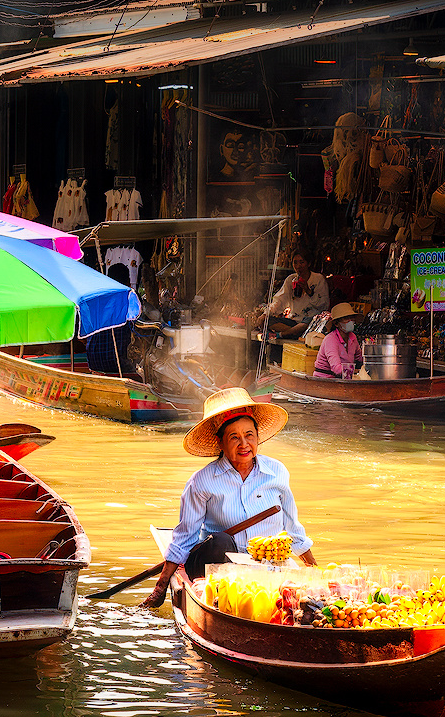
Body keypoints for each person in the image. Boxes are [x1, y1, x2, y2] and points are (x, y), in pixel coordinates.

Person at [142, 388, 316, 607]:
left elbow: (293, 530)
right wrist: (161, 585)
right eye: (234, 437)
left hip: (268, 564)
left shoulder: (277, 472)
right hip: (217, 563)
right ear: (220, 443)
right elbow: (185, 537)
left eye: (249, 435)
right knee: (221, 541)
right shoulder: (202, 481)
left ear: (257, 437)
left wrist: (315, 572)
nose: (244, 444)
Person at [261, 251, 329, 339]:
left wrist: (309, 291)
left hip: (310, 321)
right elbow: (280, 301)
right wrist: (265, 314)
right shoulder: (291, 279)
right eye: (295, 262)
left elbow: (324, 305)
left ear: (309, 264)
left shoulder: (318, 279)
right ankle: (297, 332)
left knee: (309, 319)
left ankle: (284, 334)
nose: (298, 266)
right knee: (267, 321)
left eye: (302, 262)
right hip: (294, 321)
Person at [313, 302, 363, 379]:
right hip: (325, 379)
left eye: (352, 318)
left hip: (344, 378)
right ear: (336, 324)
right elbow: (337, 369)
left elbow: (359, 358)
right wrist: (354, 372)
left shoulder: (353, 337)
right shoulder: (330, 339)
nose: (350, 321)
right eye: (346, 318)